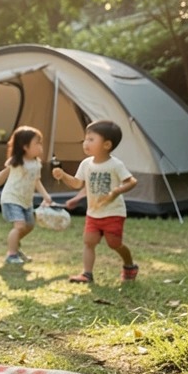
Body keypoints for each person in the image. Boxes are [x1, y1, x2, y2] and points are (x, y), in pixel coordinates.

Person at [52, 120, 139, 284]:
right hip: (93, 213)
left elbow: (131, 181)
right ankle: (87, 274)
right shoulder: (86, 164)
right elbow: (78, 183)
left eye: (91, 139)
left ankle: (130, 266)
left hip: (113, 212)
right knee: (88, 242)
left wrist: (115, 192)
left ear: (107, 144)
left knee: (114, 244)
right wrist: (63, 175)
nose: (86, 143)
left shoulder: (115, 164)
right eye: (85, 139)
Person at [0, 126, 52, 265]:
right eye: (37, 143)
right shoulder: (16, 162)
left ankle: (15, 246)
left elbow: (36, 181)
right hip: (11, 199)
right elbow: (3, 175)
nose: (40, 147)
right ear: (25, 146)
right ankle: (11, 254)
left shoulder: (37, 164)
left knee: (29, 225)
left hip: (26, 201)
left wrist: (45, 196)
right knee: (19, 225)